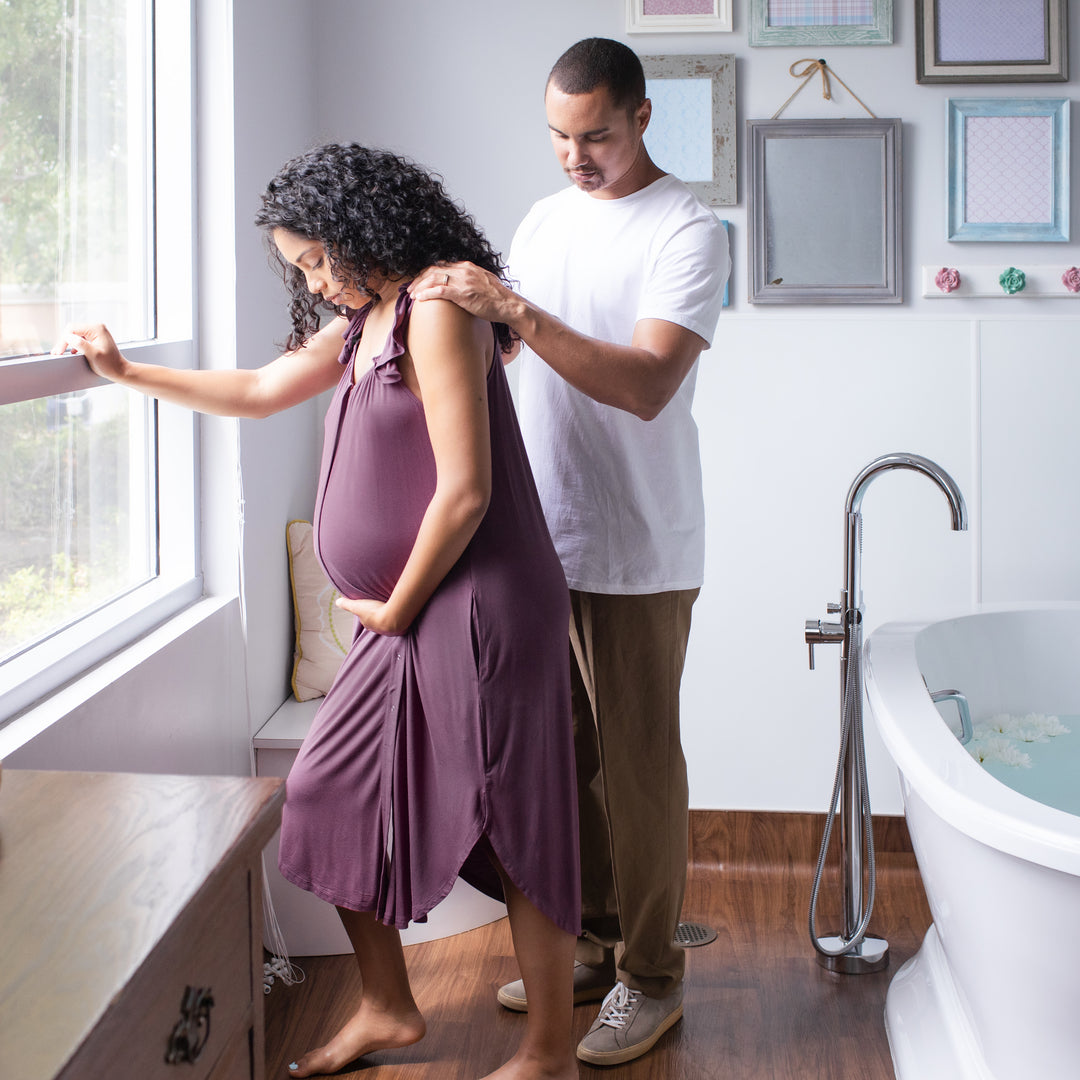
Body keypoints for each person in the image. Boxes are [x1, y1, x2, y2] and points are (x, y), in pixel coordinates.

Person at [55, 143, 581, 1080]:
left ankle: (549, 1051)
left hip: (478, 603)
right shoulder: (365, 320)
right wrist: (127, 375)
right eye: (298, 266)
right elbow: (258, 392)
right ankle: (388, 1008)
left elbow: (465, 493)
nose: (312, 278)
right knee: (325, 792)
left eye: (314, 259)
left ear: (361, 231)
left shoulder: (438, 311)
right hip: (408, 608)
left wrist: (393, 610)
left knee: (517, 818)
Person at [409, 37, 730, 1067]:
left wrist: (515, 310)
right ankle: (592, 943)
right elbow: (507, 354)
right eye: (557, 135)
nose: (574, 155)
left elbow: (642, 384)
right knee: (568, 764)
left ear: (643, 117)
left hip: (637, 543)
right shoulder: (544, 219)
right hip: (535, 535)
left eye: (593, 134)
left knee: (638, 772)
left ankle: (654, 976)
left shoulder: (687, 227)